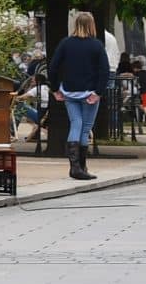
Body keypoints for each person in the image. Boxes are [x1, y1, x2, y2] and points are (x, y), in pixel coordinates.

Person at [46, 10, 111, 181]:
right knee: (85, 127)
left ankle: (75, 167)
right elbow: (105, 70)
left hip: (69, 91)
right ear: (91, 25)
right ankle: (81, 166)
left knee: (76, 124)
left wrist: (55, 89)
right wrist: (98, 92)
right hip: (89, 93)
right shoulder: (96, 45)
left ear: (76, 25)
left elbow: (52, 67)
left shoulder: (65, 43)